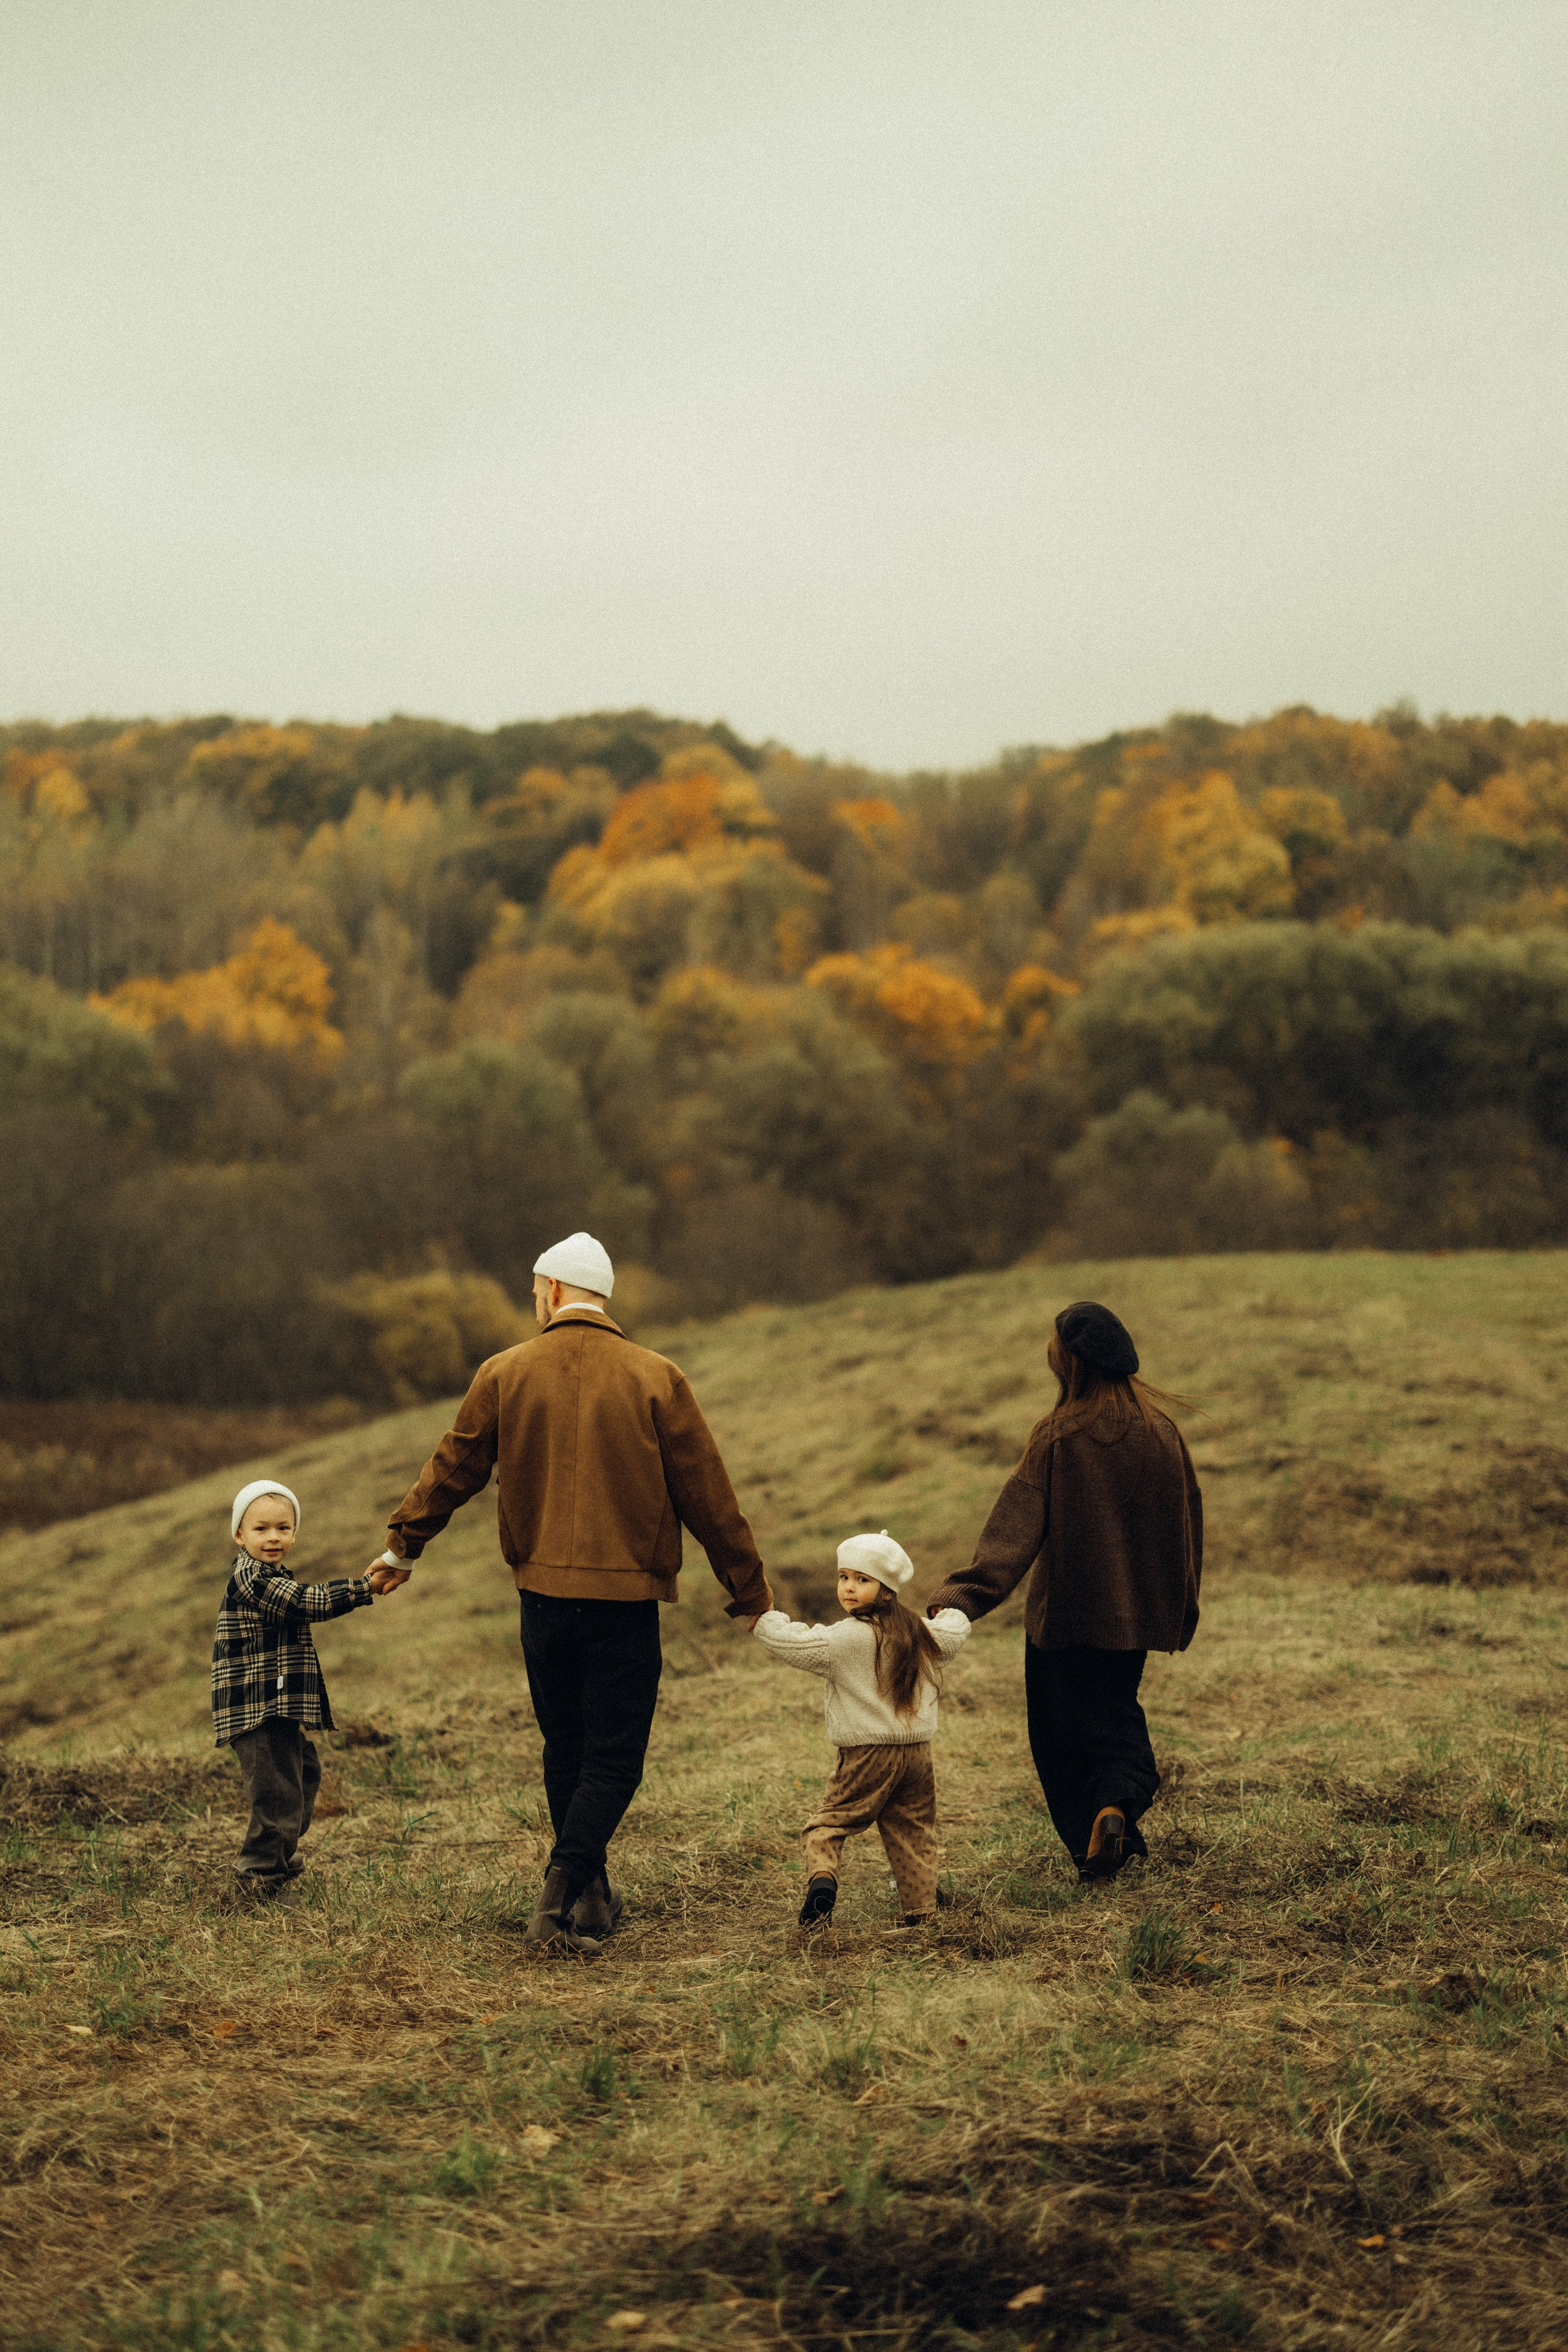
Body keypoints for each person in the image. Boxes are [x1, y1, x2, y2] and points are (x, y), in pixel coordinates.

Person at [372, 1231, 772, 1956]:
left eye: (535, 1292)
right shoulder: (657, 1377)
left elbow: (454, 1466)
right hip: (625, 1601)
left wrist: (404, 1546)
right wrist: (749, 1590)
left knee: (566, 1747)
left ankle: (591, 1897)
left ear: (552, 1290)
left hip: (542, 1599)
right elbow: (708, 1495)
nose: (535, 1301)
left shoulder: (504, 1372)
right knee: (613, 1759)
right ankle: (559, 1900)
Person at [926, 1302, 1201, 1886]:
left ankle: (1092, 1847)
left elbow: (1014, 1529)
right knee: (1115, 1717)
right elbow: (1186, 1527)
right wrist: (1176, 1610)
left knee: (1058, 1737)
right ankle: (1116, 1806)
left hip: (1064, 1621)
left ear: (1072, 1362)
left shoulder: (1059, 1435)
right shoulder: (1163, 1432)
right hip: (1132, 1622)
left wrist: (961, 1597)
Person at [752, 1530, 971, 1928]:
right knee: (913, 1829)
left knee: (829, 1823)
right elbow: (955, 1630)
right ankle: (921, 1911)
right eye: (844, 1577)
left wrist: (764, 1619)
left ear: (886, 1590)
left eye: (862, 1579)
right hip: (917, 1753)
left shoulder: (844, 1639)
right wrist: (948, 1609)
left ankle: (823, 1882)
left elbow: (790, 1641)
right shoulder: (923, 1633)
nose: (849, 1587)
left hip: (867, 1754)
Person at [213, 1479, 401, 1897]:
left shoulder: (272, 1575)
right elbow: (305, 1602)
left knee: (303, 1773)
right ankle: (259, 1878)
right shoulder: (252, 1578)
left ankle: (280, 1854)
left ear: (295, 1534)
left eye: (283, 1528)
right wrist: (364, 1586)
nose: (273, 1537)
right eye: (261, 1529)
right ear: (239, 1535)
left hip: (275, 1704)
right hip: (255, 1707)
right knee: (276, 1792)